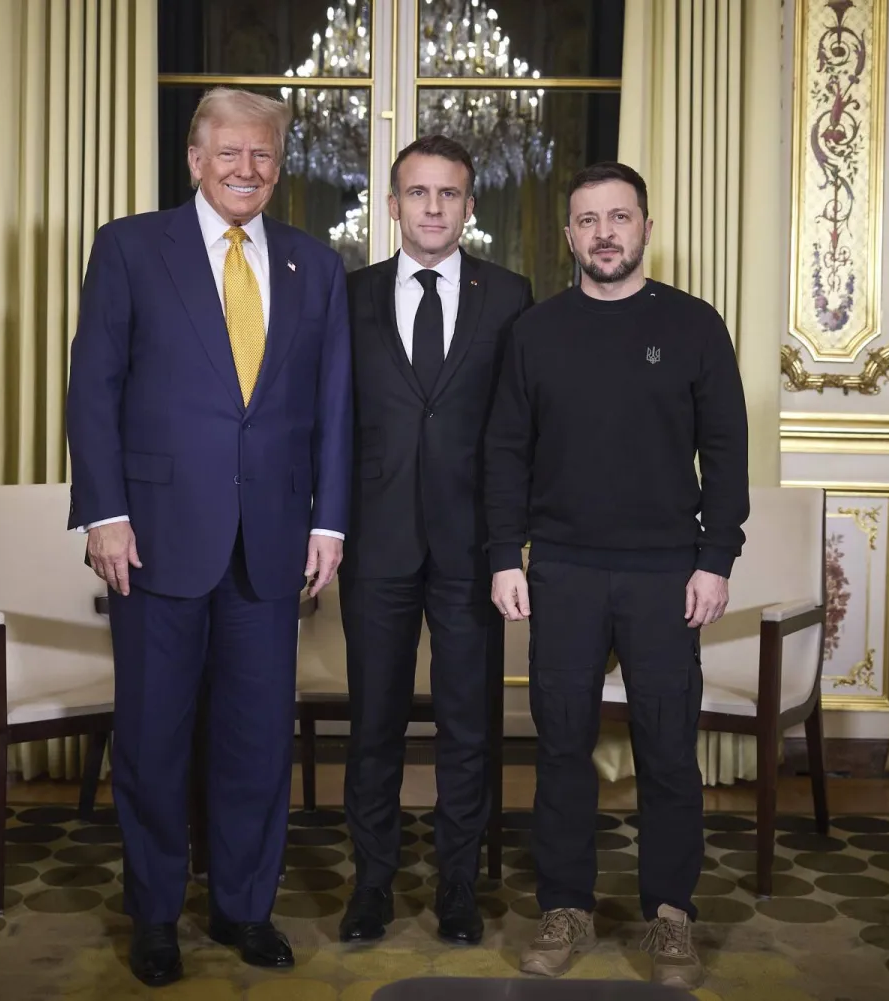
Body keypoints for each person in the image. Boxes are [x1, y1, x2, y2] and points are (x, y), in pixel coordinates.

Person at [65, 87, 351, 987]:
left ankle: (241, 906)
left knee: (257, 739)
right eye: (229, 152)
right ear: (195, 160)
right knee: (153, 737)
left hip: (272, 541)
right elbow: (93, 387)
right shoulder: (129, 248)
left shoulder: (315, 265)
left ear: (280, 165)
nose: (246, 169)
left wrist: (329, 519)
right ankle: (155, 914)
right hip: (153, 537)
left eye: (263, 154)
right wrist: (104, 513)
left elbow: (333, 406)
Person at [482, 161, 749, 989]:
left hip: (667, 573)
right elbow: (505, 451)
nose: (605, 233)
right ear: (569, 235)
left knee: (667, 750)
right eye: (589, 220)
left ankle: (671, 913)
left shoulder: (695, 325)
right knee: (561, 746)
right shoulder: (535, 331)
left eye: (619, 217)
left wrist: (716, 559)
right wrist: (504, 554)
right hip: (561, 569)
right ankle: (566, 905)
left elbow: (728, 452)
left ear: (645, 227)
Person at [337, 135, 534, 946]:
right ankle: (371, 885)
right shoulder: (349, 294)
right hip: (374, 542)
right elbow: (329, 420)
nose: (433, 207)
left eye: (448, 193)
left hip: (472, 549)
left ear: (469, 206)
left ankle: (458, 887)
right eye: (418, 193)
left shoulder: (510, 295)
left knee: (467, 727)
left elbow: (520, 425)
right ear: (392, 206)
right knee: (373, 726)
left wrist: (512, 541)